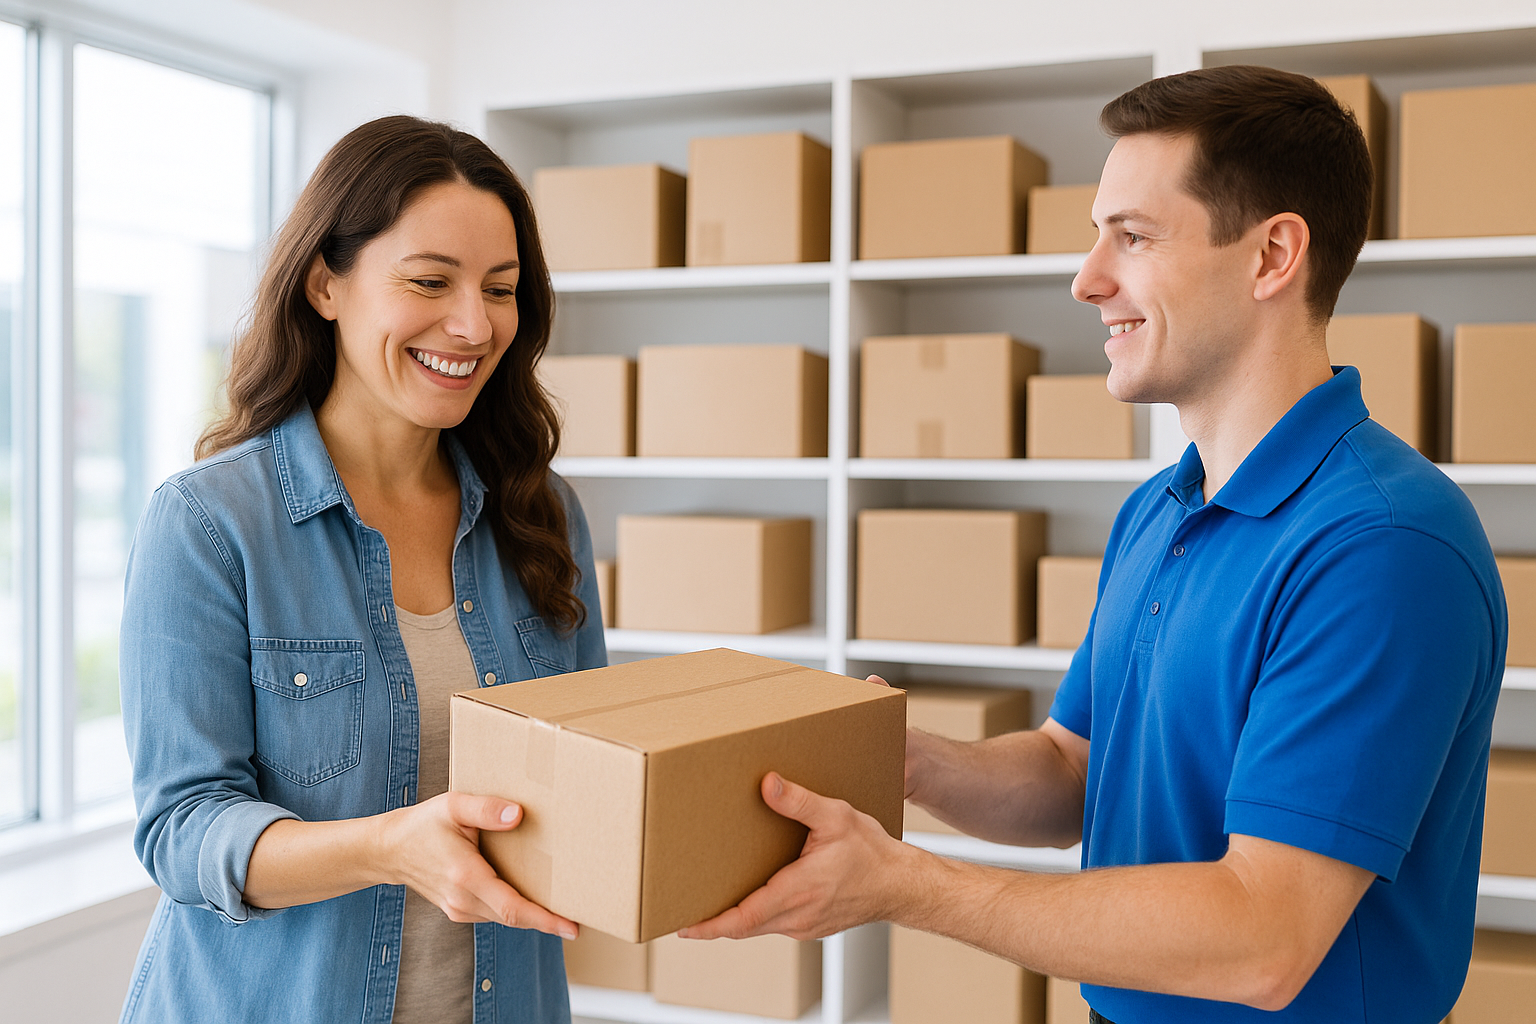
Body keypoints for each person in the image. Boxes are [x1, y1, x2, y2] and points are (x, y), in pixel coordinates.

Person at [680, 66, 1508, 1023]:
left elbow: (1265, 939)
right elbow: (1075, 771)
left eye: (1134, 237)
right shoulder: (1161, 508)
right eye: (1094, 236)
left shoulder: (1382, 547)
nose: (1087, 279)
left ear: (1274, 255)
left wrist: (909, 886)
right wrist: (907, 760)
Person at [118, 115, 604, 1023]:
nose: (473, 325)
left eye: (501, 291)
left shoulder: (541, 514)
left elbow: (591, 770)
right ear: (325, 284)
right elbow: (182, 833)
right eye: (430, 281)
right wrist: (388, 846)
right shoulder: (211, 524)